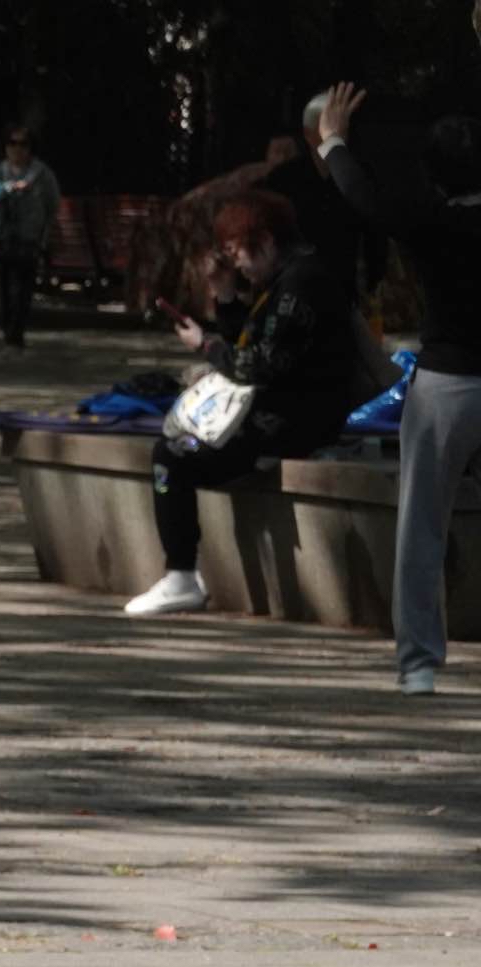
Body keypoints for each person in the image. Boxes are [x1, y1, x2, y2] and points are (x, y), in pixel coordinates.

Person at [124, 191, 359, 618]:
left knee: (172, 456)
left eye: (237, 254)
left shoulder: (300, 285)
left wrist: (206, 345)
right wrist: (226, 296)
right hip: (283, 414)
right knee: (174, 446)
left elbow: (255, 366)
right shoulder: (291, 279)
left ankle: (180, 575)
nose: (239, 266)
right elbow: (252, 348)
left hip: (291, 421)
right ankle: (179, 574)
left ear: (265, 241)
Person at [317, 83, 474, 694]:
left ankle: (418, 664)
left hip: (445, 386)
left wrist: (333, 141)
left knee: (422, 525)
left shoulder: (431, 220)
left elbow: (365, 198)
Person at [263, 91, 388, 308]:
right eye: (330, 128)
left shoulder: (359, 175)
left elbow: (374, 234)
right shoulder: (283, 180)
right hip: (293, 292)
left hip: (345, 293)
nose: (338, 134)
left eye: (342, 127)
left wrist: (373, 283)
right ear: (308, 133)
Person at [0, 127, 58, 349]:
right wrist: (10, 187)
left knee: (23, 290)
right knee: (5, 289)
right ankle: (8, 331)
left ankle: (17, 332)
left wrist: (44, 235)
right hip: (3, 238)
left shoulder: (42, 174)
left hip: (29, 239)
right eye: (12, 143)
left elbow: (52, 204)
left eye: (23, 144)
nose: (17, 149)